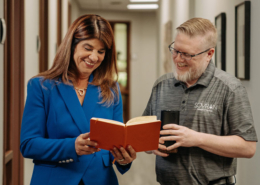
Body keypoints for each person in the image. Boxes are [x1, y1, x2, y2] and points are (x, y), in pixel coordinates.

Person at [20, 14, 136, 185]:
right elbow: (28, 144)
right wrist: (71, 146)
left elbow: (115, 143)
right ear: (72, 46)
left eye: (101, 51)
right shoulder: (42, 86)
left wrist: (124, 158)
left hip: (100, 180)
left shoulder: (111, 89)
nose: (94, 57)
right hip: (55, 179)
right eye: (88, 48)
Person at [143, 18, 257, 185]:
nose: (178, 59)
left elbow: (248, 147)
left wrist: (197, 139)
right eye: (175, 50)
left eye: (187, 54)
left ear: (209, 54)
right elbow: (142, 133)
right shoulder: (162, 85)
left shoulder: (230, 88)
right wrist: (150, 144)